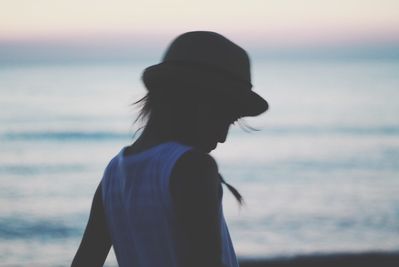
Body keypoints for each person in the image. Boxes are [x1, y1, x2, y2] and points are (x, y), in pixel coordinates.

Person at [71, 31, 268, 267]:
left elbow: (85, 261)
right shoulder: (192, 167)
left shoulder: (113, 176)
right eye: (225, 118)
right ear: (199, 103)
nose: (223, 137)